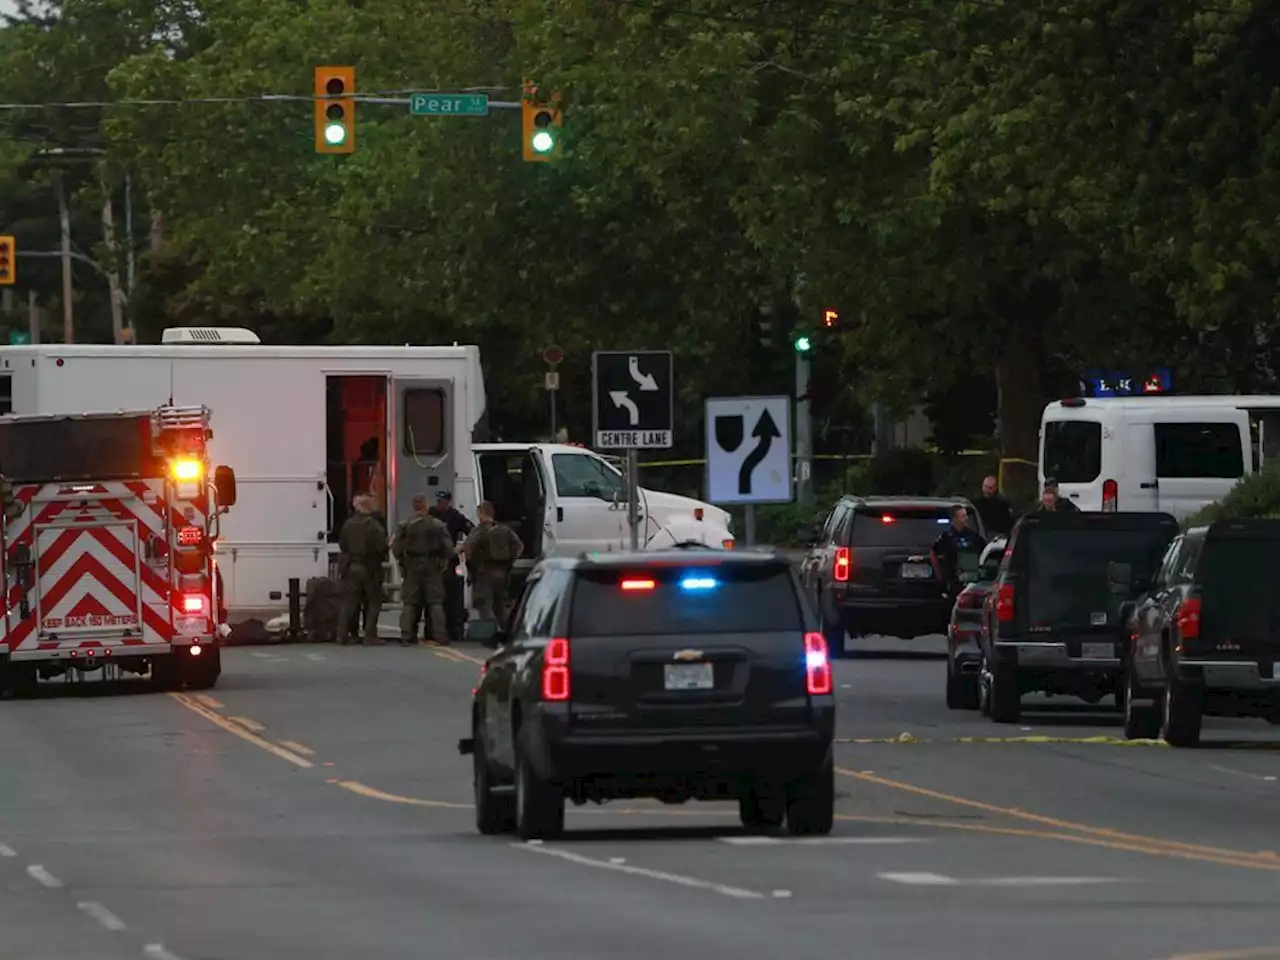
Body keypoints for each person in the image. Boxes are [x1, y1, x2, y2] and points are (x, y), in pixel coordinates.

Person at [393, 493, 453, 645]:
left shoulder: (405, 525)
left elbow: (396, 547)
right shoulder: (437, 524)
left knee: (410, 602)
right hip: (432, 566)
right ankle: (440, 635)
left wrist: (402, 561)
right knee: (435, 602)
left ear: (413, 506)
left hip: (412, 565)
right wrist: (443, 562)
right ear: (426, 505)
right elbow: (448, 548)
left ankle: (407, 635)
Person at [462, 500, 523, 630]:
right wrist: (510, 561)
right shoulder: (504, 529)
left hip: (484, 573)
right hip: (502, 572)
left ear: (481, 514)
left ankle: (490, 632)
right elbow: (519, 547)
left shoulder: (479, 531)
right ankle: (508, 632)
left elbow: (468, 548)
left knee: (484, 604)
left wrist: (471, 564)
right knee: (500, 606)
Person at [338, 494, 388, 646]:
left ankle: (342, 635)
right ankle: (370, 635)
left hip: (351, 567)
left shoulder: (348, 524)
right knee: (373, 602)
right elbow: (381, 547)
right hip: (369, 567)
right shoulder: (373, 525)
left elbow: (342, 545)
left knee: (350, 602)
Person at [429, 490, 474, 644]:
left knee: (449, 596)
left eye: (442, 501)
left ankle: (452, 629)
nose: (439, 504)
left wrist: (462, 548)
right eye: (438, 501)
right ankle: (433, 631)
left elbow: (473, 532)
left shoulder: (455, 517)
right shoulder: (431, 514)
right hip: (432, 560)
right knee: (434, 597)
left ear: (448, 502)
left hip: (448, 560)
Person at [931, 505, 987, 600]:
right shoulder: (946, 537)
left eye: (966, 516)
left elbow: (985, 552)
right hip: (953, 581)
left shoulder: (973, 536)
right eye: (963, 516)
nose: (966, 519)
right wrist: (942, 578)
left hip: (971, 580)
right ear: (955, 518)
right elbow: (935, 555)